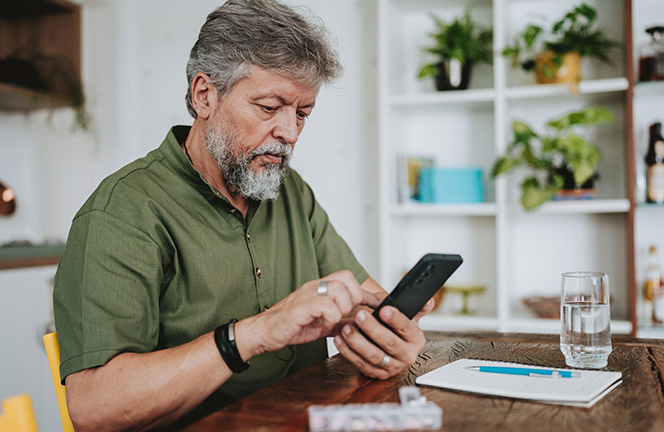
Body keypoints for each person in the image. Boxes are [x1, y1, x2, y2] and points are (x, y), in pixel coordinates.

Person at [53, 0, 434, 430]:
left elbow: (369, 301)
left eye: (302, 114)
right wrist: (254, 333)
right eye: (269, 108)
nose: (289, 133)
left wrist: (390, 342)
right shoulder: (123, 212)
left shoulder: (291, 192)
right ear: (204, 96)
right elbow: (94, 409)